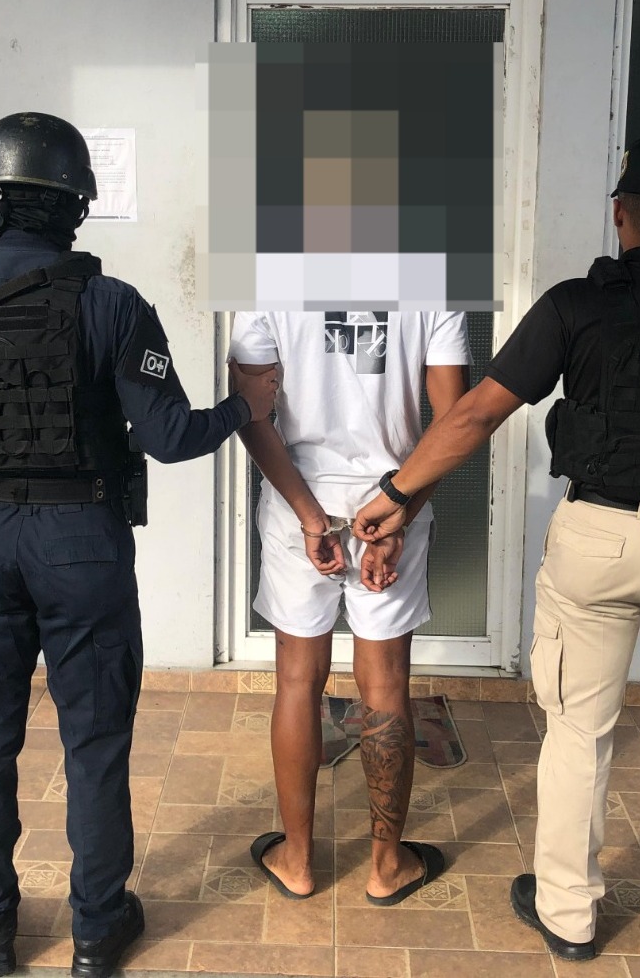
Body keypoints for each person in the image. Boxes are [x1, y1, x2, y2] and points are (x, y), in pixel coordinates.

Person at [354, 136, 640, 971]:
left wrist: (395, 493)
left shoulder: (577, 306)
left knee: (576, 734)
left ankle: (568, 917)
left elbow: (474, 415)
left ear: (618, 214)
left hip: (597, 541)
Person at [0, 112, 278, 978]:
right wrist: (247, 409)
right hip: (83, 543)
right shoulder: (111, 303)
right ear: (77, 204)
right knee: (94, 744)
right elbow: (168, 436)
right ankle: (95, 930)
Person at [229, 310, 469, 906]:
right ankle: (387, 868)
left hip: (297, 499)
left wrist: (309, 515)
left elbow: (249, 414)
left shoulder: (264, 273)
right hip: (394, 496)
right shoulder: (437, 274)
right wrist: (401, 514)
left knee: (296, 680)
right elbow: (457, 420)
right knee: (385, 683)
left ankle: (297, 861)